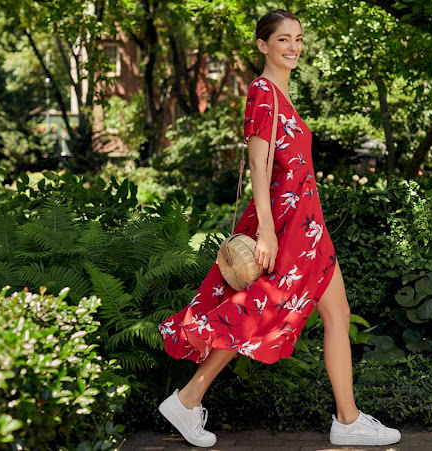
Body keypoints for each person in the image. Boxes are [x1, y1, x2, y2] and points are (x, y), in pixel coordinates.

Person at [157, 8, 401, 448]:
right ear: (262, 45)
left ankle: (348, 421)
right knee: (257, 309)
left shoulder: (283, 96)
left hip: (307, 224)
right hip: (287, 226)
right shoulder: (263, 92)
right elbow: (257, 163)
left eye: (299, 39)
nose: (293, 47)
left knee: (335, 314)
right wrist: (267, 231)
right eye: (283, 39)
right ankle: (189, 399)